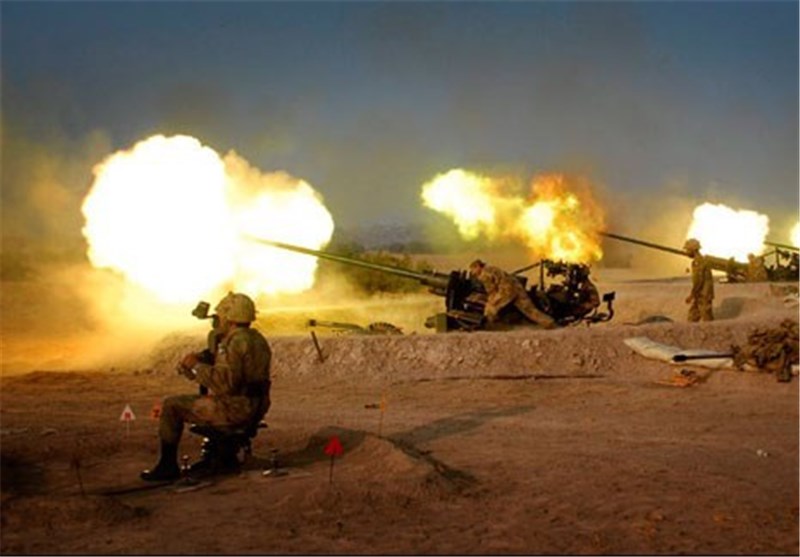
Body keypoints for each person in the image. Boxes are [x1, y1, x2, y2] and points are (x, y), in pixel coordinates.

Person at [140, 292, 272, 481]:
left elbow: (225, 384)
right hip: (255, 405)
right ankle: (220, 456)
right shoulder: (257, 339)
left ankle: (167, 466)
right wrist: (204, 360)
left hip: (236, 408)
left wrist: (196, 365)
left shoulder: (234, 342)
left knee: (171, 406)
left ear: (228, 318)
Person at [468, 259, 556, 329]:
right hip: (516, 287)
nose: (472, 272)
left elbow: (492, 291)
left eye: (473, 269)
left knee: (490, 307)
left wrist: (490, 302)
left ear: (478, 266)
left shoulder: (483, 275)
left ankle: (492, 326)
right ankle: (549, 323)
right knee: (529, 309)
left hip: (505, 291)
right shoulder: (492, 268)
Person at [683, 238, 714, 322]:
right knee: (692, 317)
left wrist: (692, 295)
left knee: (707, 317)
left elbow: (698, 281)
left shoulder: (699, 262)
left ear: (693, 250)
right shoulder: (701, 261)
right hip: (700, 294)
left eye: (687, 250)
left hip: (703, 294)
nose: (686, 252)